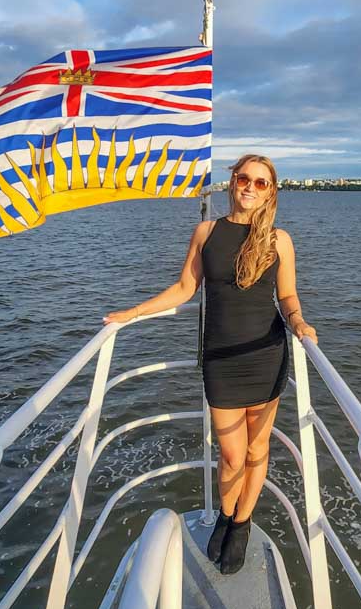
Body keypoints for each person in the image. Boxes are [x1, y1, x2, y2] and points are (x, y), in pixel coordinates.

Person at [104, 153, 317, 574]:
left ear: (271, 191)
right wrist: (132, 312)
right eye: (244, 179)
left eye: (260, 183)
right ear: (232, 182)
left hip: (265, 354)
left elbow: (287, 295)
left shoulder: (279, 240)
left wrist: (299, 321)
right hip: (220, 359)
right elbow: (185, 288)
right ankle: (225, 512)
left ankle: (240, 524)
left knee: (258, 448)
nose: (250, 188)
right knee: (233, 454)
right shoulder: (207, 232)